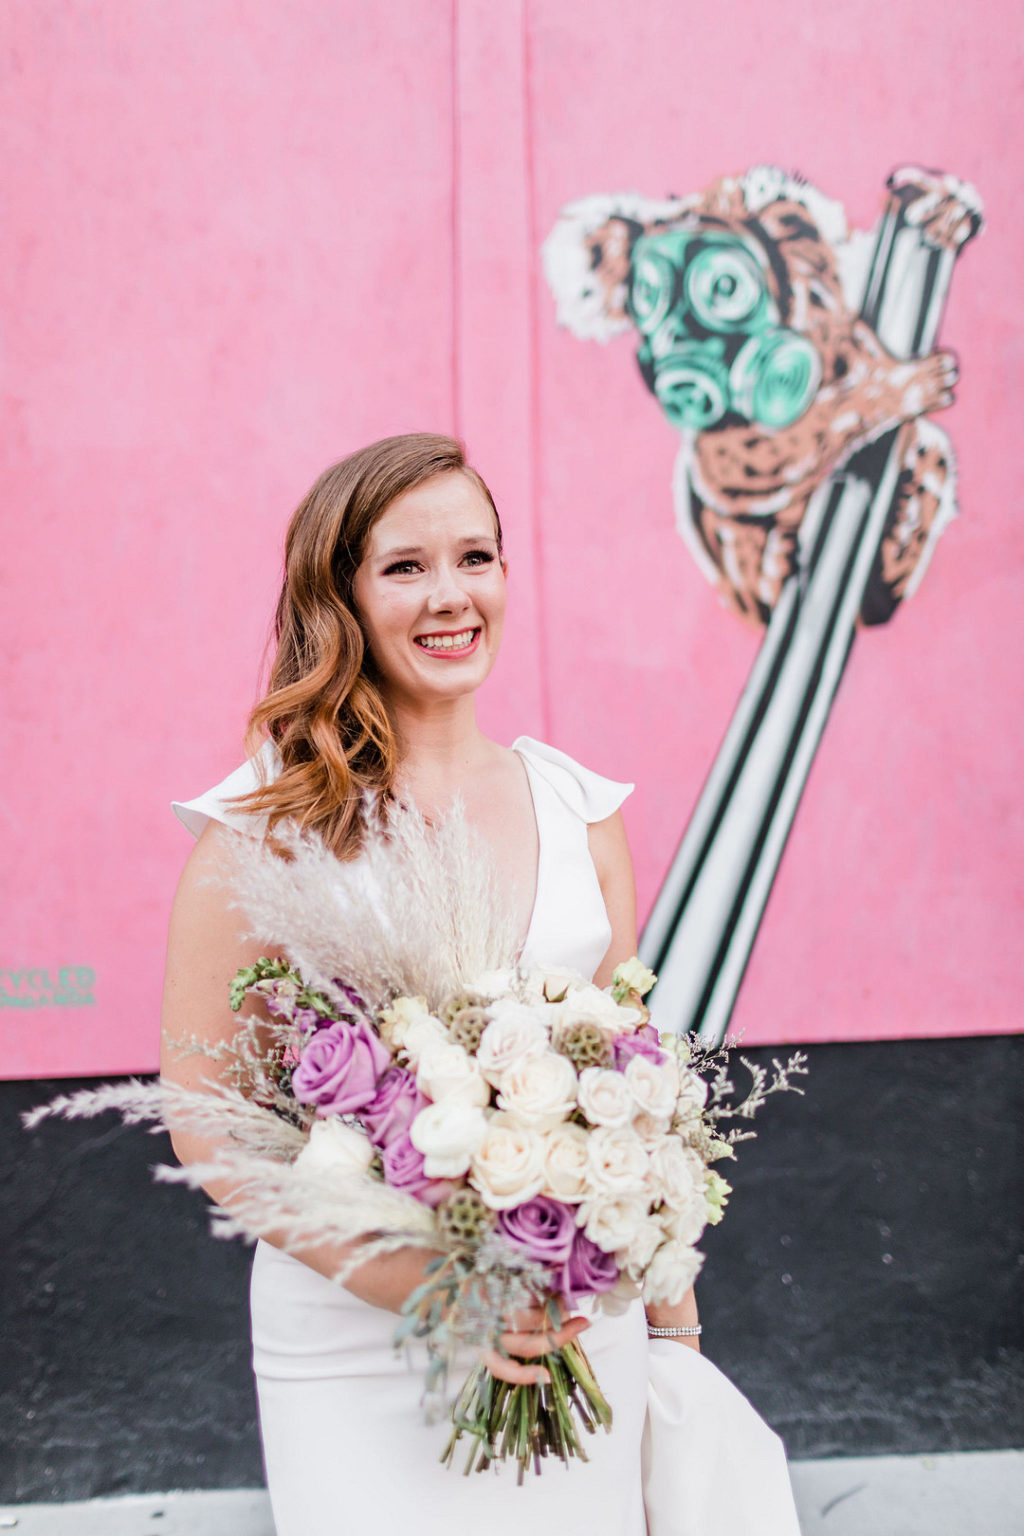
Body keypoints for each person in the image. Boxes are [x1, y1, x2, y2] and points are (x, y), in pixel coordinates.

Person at [161, 433, 800, 1535]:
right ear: (343, 597)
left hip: (571, 1321)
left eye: (477, 557)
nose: (451, 596)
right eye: (404, 567)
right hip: (360, 1344)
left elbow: (636, 1108)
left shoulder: (580, 810)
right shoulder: (267, 831)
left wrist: (673, 1341)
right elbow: (206, 1124)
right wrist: (429, 1285)